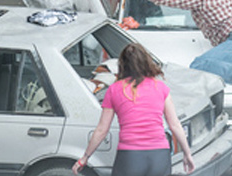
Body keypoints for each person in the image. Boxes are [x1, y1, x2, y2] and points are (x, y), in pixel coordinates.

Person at [74, 43, 194, 176]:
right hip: (159, 155)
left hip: (130, 157)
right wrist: (187, 153)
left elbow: (102, 130)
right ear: (146, 62)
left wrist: (85, 157)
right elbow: (175, 125)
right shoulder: (161, 87)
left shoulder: (114, 90)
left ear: (122, 65)